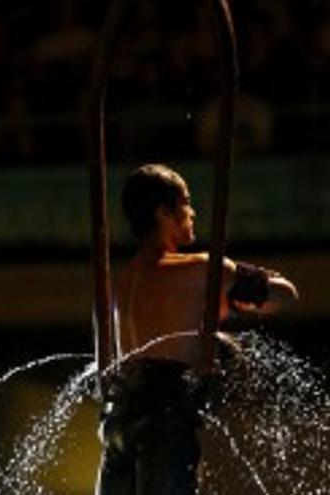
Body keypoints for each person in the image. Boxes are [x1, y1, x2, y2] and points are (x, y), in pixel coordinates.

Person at [96, 163, 299, 495]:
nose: (193, 212)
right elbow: (286, 295)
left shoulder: (116, 282)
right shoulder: (201, 270)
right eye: (186, 202)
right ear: (165, 211)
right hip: (164, 417)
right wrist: (237, 281)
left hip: (115, 422)